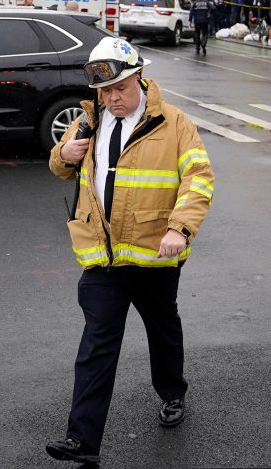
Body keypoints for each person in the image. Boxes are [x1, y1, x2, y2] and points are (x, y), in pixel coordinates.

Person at [45, 37, 215, 465]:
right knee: (97, 346)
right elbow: (60, 167)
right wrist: (64, 153)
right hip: (103, 260)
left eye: (119, 88)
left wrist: (180, 228)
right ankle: (82, 441)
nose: (112, 98)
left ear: (138, 78)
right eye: (104, 91)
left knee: (162, 329)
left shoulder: (174, 124)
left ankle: (172, 391)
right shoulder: (88, 120)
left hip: (155, 257)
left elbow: (199, 180)